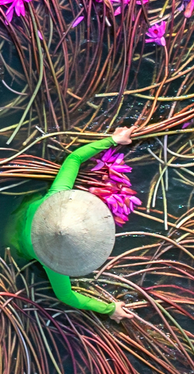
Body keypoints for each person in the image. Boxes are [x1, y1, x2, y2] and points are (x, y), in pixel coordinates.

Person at [8, 125, 133, 317]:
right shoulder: (54, 267)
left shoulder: (55, 196)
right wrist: (109, 309)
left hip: (17, 217)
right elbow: (67, 296)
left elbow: (73, 158)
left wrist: (113, 139)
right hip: (19, 249)